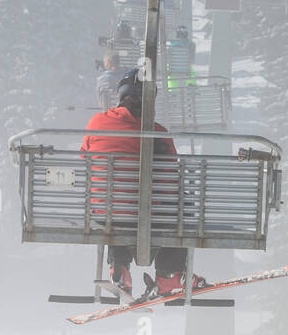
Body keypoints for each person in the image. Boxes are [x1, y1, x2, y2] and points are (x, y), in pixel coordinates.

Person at [80, 68, 202, 299]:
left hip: (106, 213)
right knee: (179, 205)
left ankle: (120, 269)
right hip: (150, 215)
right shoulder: (157, 133)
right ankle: (170, 275)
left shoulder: (96, 122)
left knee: (114, 199)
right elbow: (170, 179)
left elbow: (85, 158)